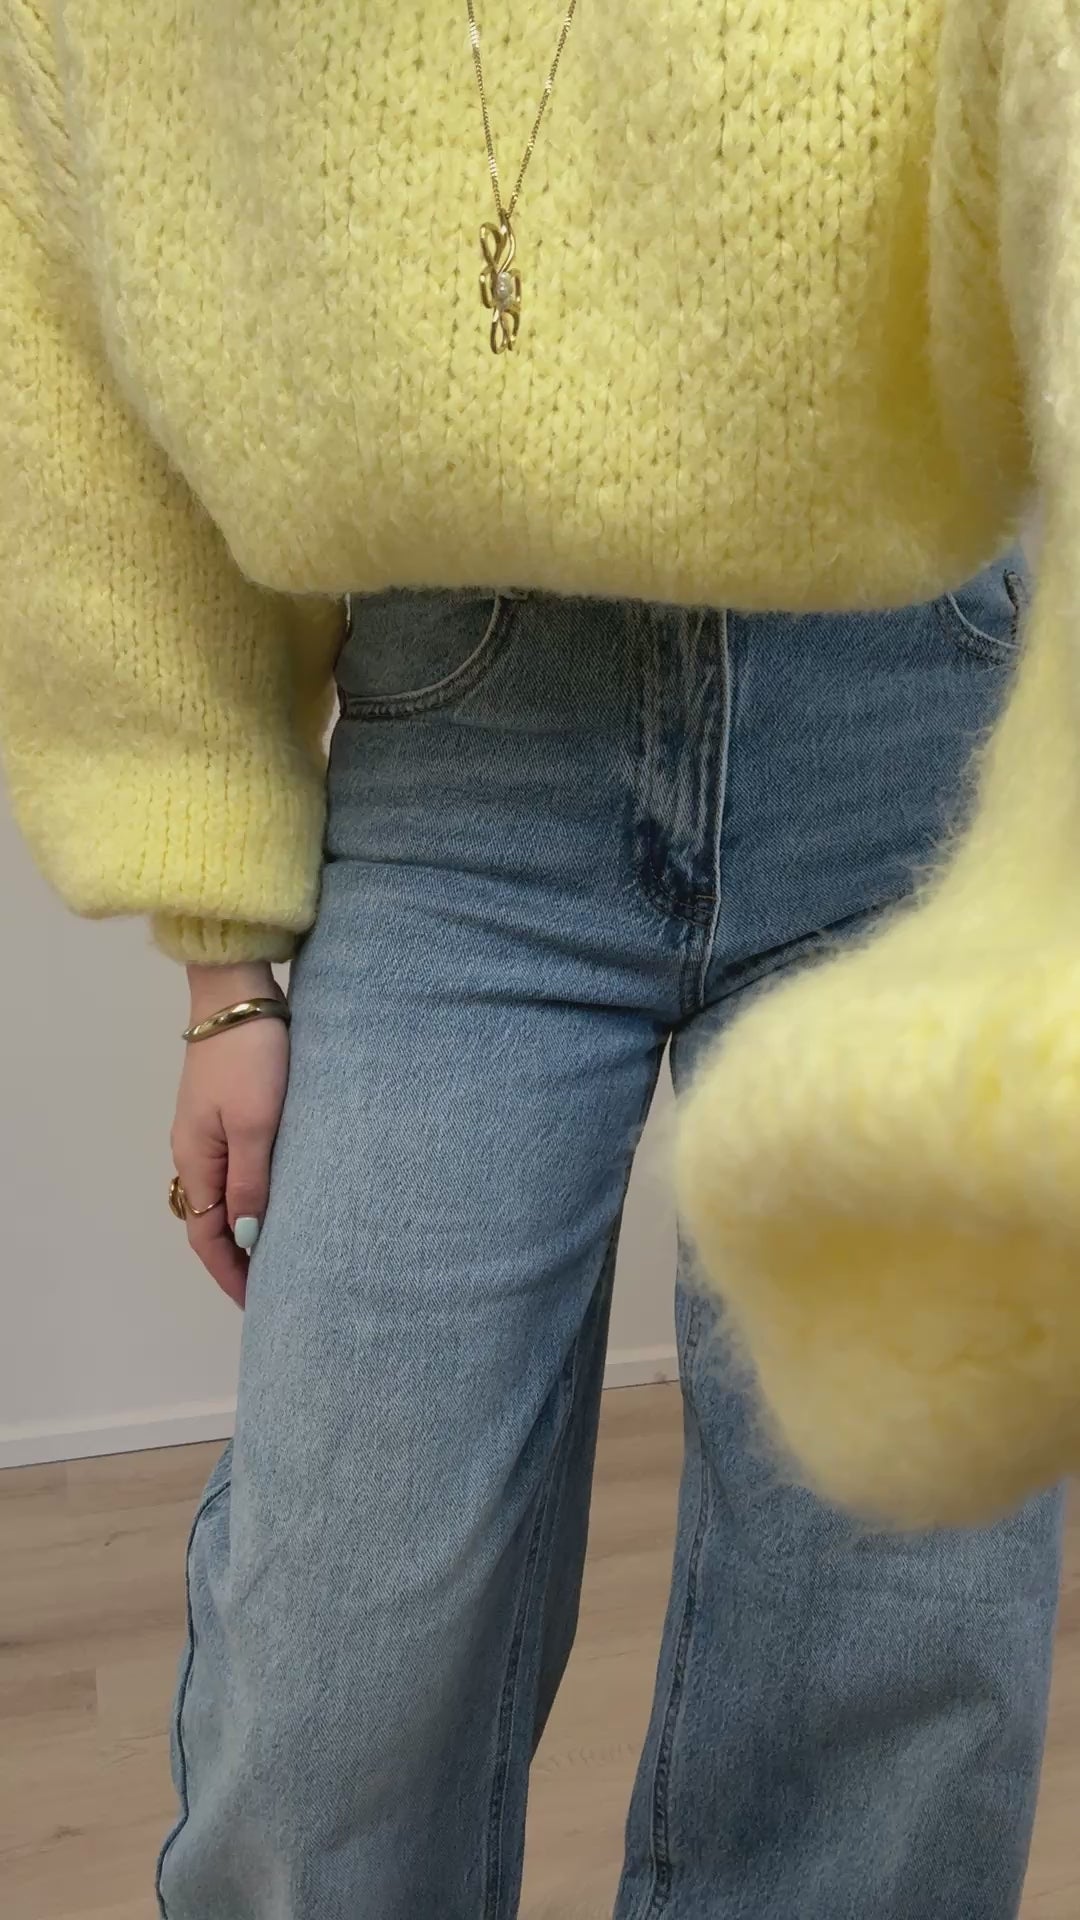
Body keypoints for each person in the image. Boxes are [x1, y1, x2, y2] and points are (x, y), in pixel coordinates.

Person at [1, 4, 1077, 1917]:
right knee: (335, 1657)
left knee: (903, 1637)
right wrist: (224, 952)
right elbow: (69, 329)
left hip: (919, 705)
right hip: (469, 758)